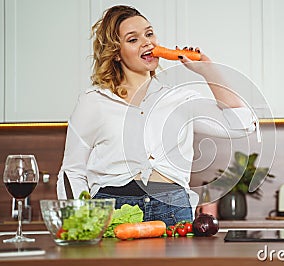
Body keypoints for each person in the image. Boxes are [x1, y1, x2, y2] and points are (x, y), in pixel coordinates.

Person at [57, 5, 257, 226]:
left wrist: (208, 70)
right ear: (115, 53)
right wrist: (81, 222)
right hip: (112, 209)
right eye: (133, 39)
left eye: (149, 34)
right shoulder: (93, 101)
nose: (147, 42)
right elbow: (72, 171)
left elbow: (242, 124)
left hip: (172, 210)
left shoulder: (179, 99)